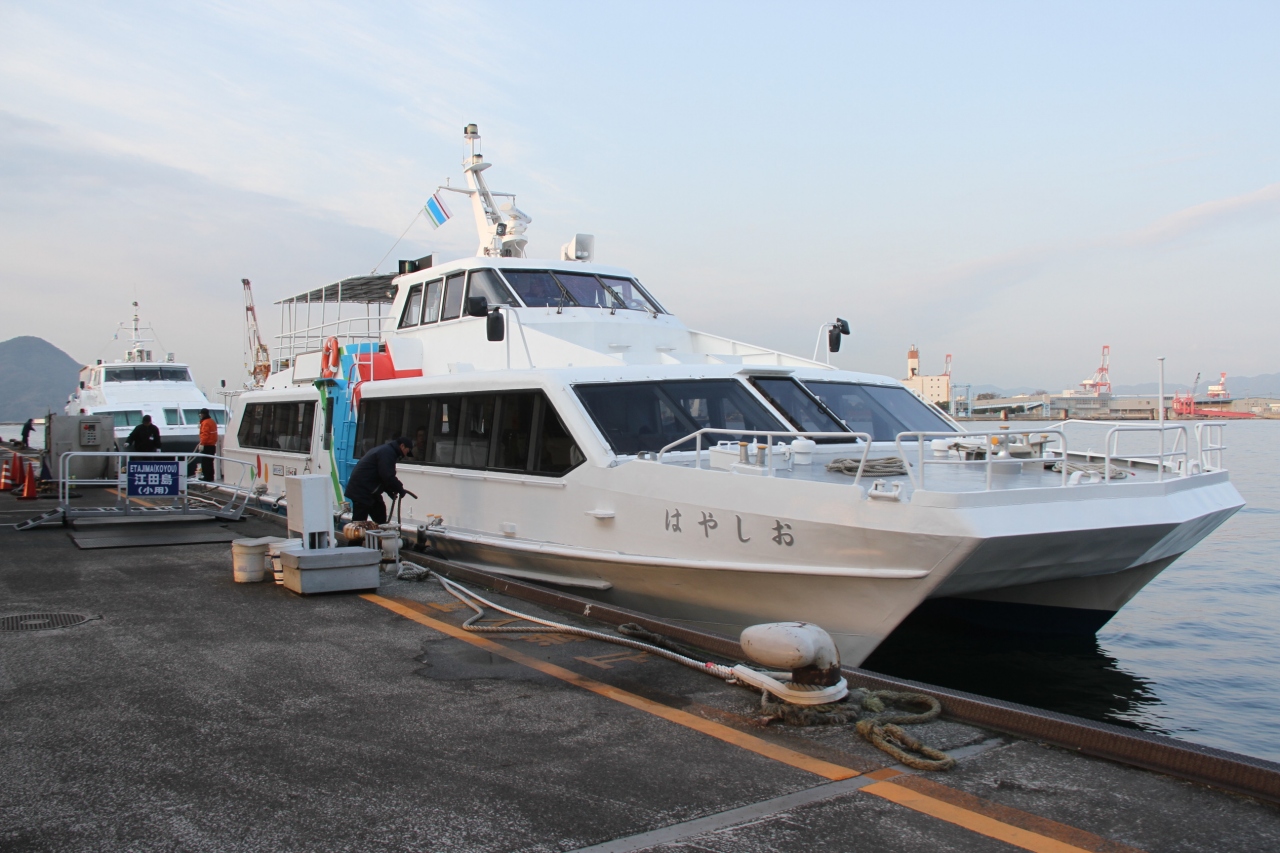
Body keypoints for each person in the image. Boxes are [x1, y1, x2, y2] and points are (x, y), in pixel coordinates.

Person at [345, 436, 412, 524]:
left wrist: (390, 491)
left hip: (368, 490)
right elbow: (387, 476)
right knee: (359, 522)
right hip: (361, 491)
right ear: (402, 446)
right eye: (407, 451)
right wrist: (400, 488)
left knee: (380, 515)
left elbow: (382, 476)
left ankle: (380, 530)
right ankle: (360, 532)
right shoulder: (388, 453)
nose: (406, 454)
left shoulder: (386, 450)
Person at [187, 408, 218, 482]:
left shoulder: (205, 423)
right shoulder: (212, 422)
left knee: (205, 462)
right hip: (212, 445)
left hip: (207, 445)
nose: (200, 415)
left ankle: (207, 477)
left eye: (200, 414)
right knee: (210, 462)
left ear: (203, 414)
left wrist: (202, 444)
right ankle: (210, 477)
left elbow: (205, 434)